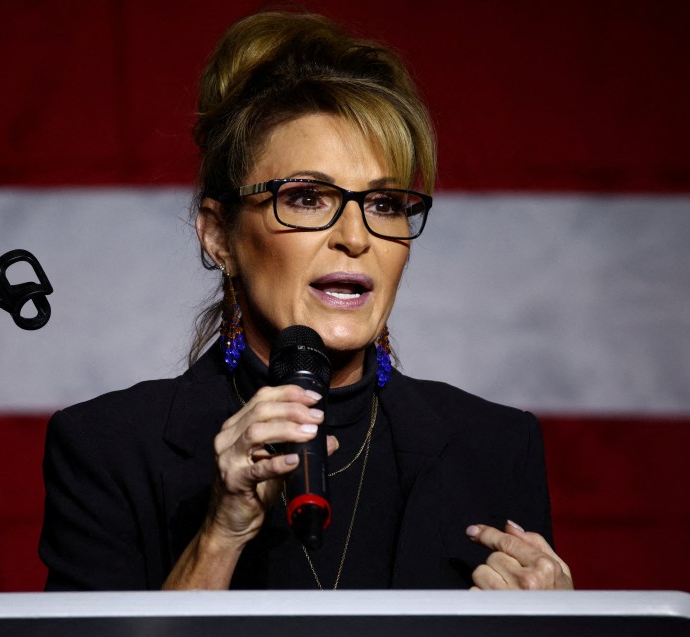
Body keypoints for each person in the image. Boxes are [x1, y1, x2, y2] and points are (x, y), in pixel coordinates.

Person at [39, 10, 573, 592]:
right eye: (307, 198)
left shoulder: (495, 447)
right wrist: (221, 533)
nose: (356, 235)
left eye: (386, 202)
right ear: (219, 235)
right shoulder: (109, 447)